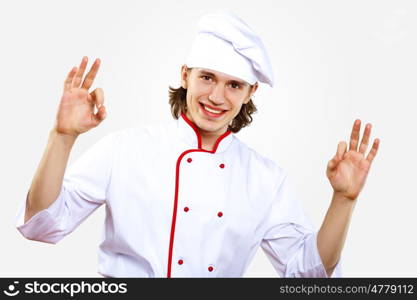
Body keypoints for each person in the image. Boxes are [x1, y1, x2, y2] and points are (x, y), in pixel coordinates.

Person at [16, 11, 379, 278]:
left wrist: (343, 200)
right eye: (207, 77)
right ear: (185, 75)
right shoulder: (125, 150)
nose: (216, 96)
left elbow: (308, 275)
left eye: (234, 85)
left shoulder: (265, 178)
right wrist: (63, 137)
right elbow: (42, 227)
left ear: (251, 92)